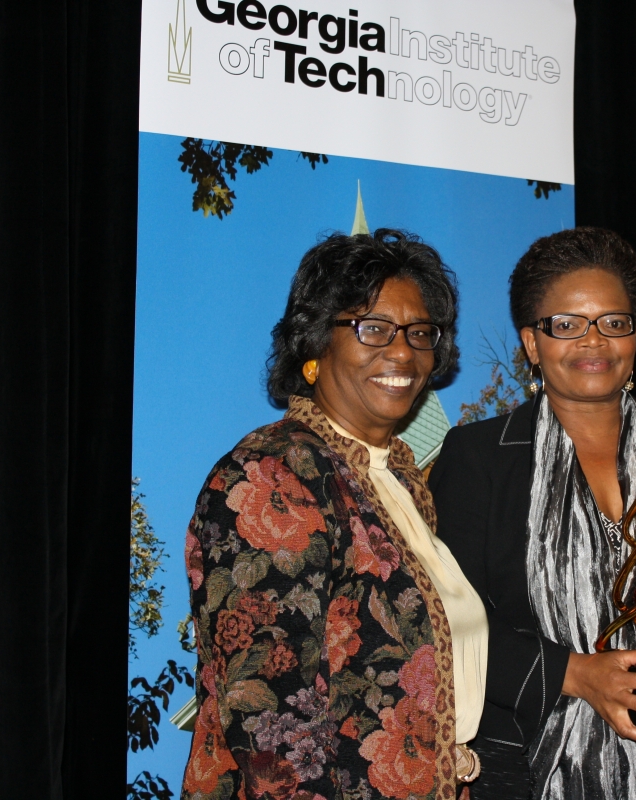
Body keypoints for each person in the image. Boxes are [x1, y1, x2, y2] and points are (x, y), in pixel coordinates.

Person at [430, 227, 636, 800]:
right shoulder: (479, 456)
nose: (595, 342)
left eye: (614, 322)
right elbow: (452, 625)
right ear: (532, 344)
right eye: (566, 325)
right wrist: (578, 674)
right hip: (530, 768)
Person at [180, 229, 489, 800]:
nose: (403, 352)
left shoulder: (399, 480)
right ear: (316, 343)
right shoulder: (273, 474)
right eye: (372, 328)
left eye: (420, 332)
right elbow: (270, 727)